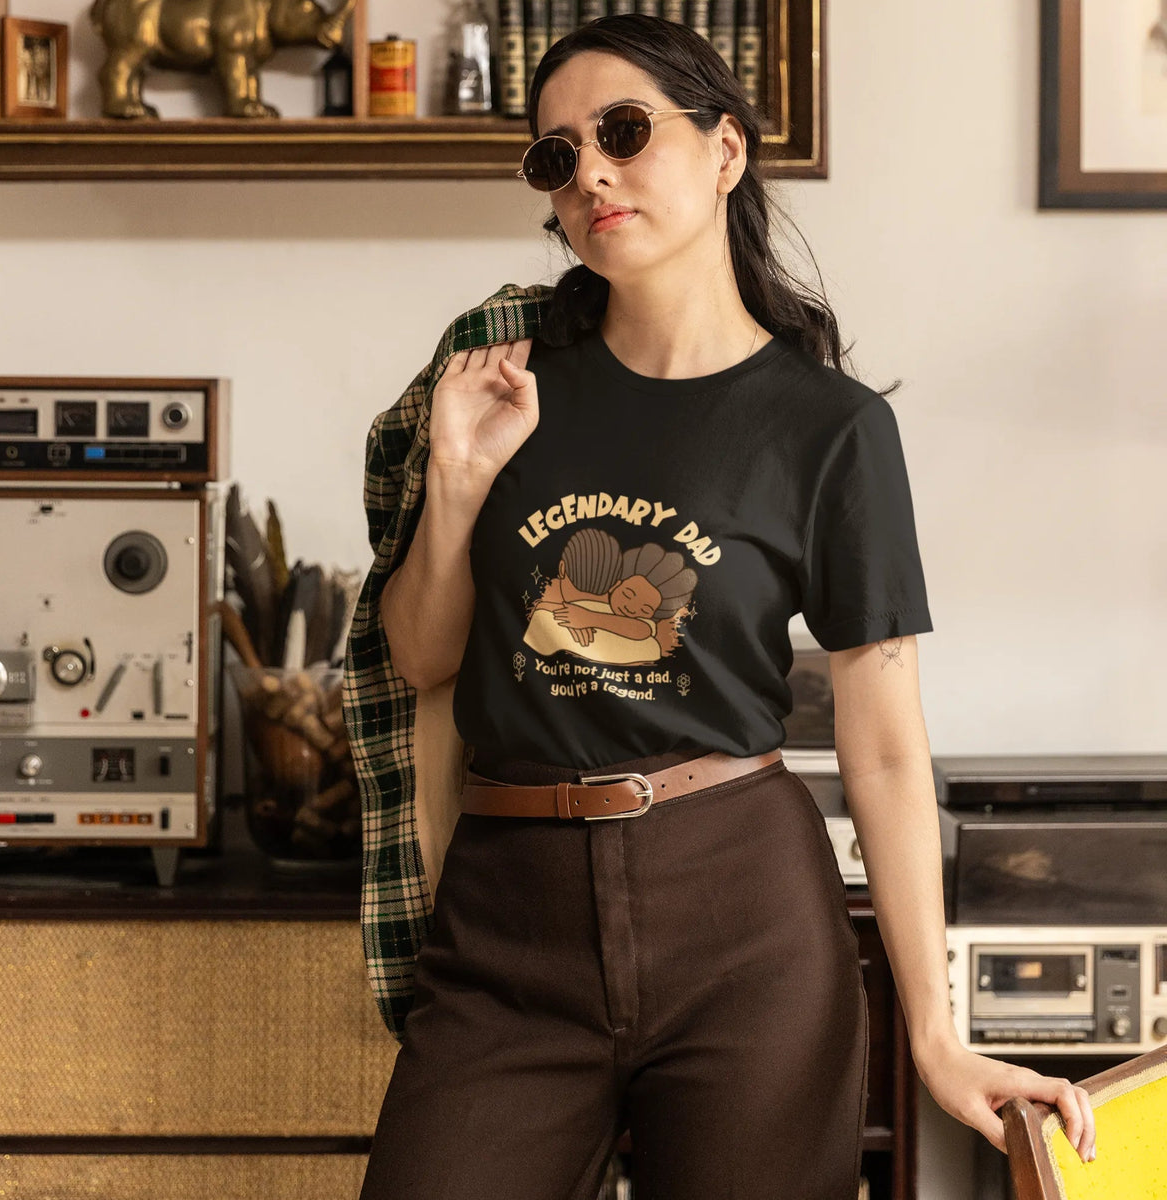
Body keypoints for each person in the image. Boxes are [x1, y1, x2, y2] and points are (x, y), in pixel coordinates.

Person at [348, 13, 1097, 1199]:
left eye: (626, 132)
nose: (590, 170)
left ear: (727, 151)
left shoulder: (831, 429)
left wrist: (935, 1029)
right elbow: (419, 653)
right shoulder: (502, 381)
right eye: (556, 155)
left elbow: (889, 753)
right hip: (506, 925)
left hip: (743, 920)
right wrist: (456, 482)